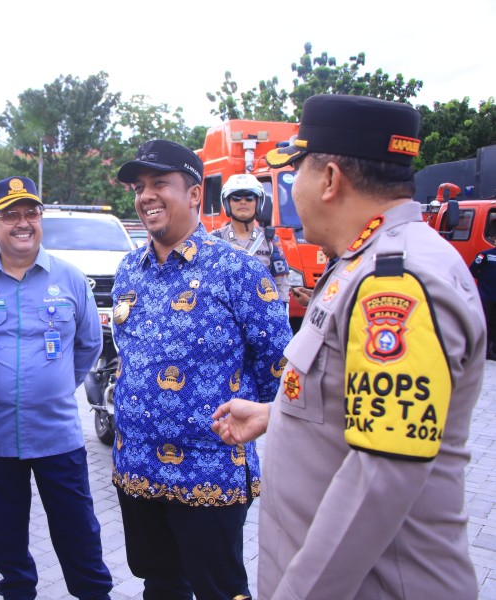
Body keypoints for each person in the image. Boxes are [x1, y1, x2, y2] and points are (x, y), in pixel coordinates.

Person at [211, 95, 485, 599]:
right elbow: (357, 395)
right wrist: (282, 413)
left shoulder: (397, 281)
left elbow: (381, 474)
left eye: (297, 176)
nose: (293, 193)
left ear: (331, 179)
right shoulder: (362, 261)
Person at [111, 140, 291, 600]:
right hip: (138, 468)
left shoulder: (239, 271)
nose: (146, 195)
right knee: (161, 584)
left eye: (159, 184)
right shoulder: (130, 269)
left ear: (194, 194)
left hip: (210, 472)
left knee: (218, 588)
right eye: (139, 187)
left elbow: (279, 369)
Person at [0, 176, 113, 600]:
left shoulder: (70, 280)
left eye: (31, 212)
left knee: (79, 534)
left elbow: (89, 344)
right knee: (3, 540)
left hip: (58, 436)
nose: (23, 223)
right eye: (10, 215)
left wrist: (52, 389)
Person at [211, 173, 290, 303]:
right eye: (236, 198)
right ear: (227, 202)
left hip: (261, 313)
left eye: (249, 197)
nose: (243, 202)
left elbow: (281, 281)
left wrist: (281, 309)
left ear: (258, 202)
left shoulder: (270, 240)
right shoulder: (214, 239)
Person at [470, 244, 496, 359]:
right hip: (486, 296)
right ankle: (481, 350)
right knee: (484, 322)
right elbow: (473, 270)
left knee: (494, 324)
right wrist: (484, 280)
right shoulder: (485, 255)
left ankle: (491, 349)